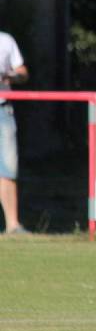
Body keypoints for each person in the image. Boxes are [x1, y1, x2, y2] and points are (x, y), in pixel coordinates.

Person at [0, 30, 30, 234]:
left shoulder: (5, 40)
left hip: (3, 109)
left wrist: (8, 75)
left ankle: (13, 224)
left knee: (8, 168)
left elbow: (23, 72)